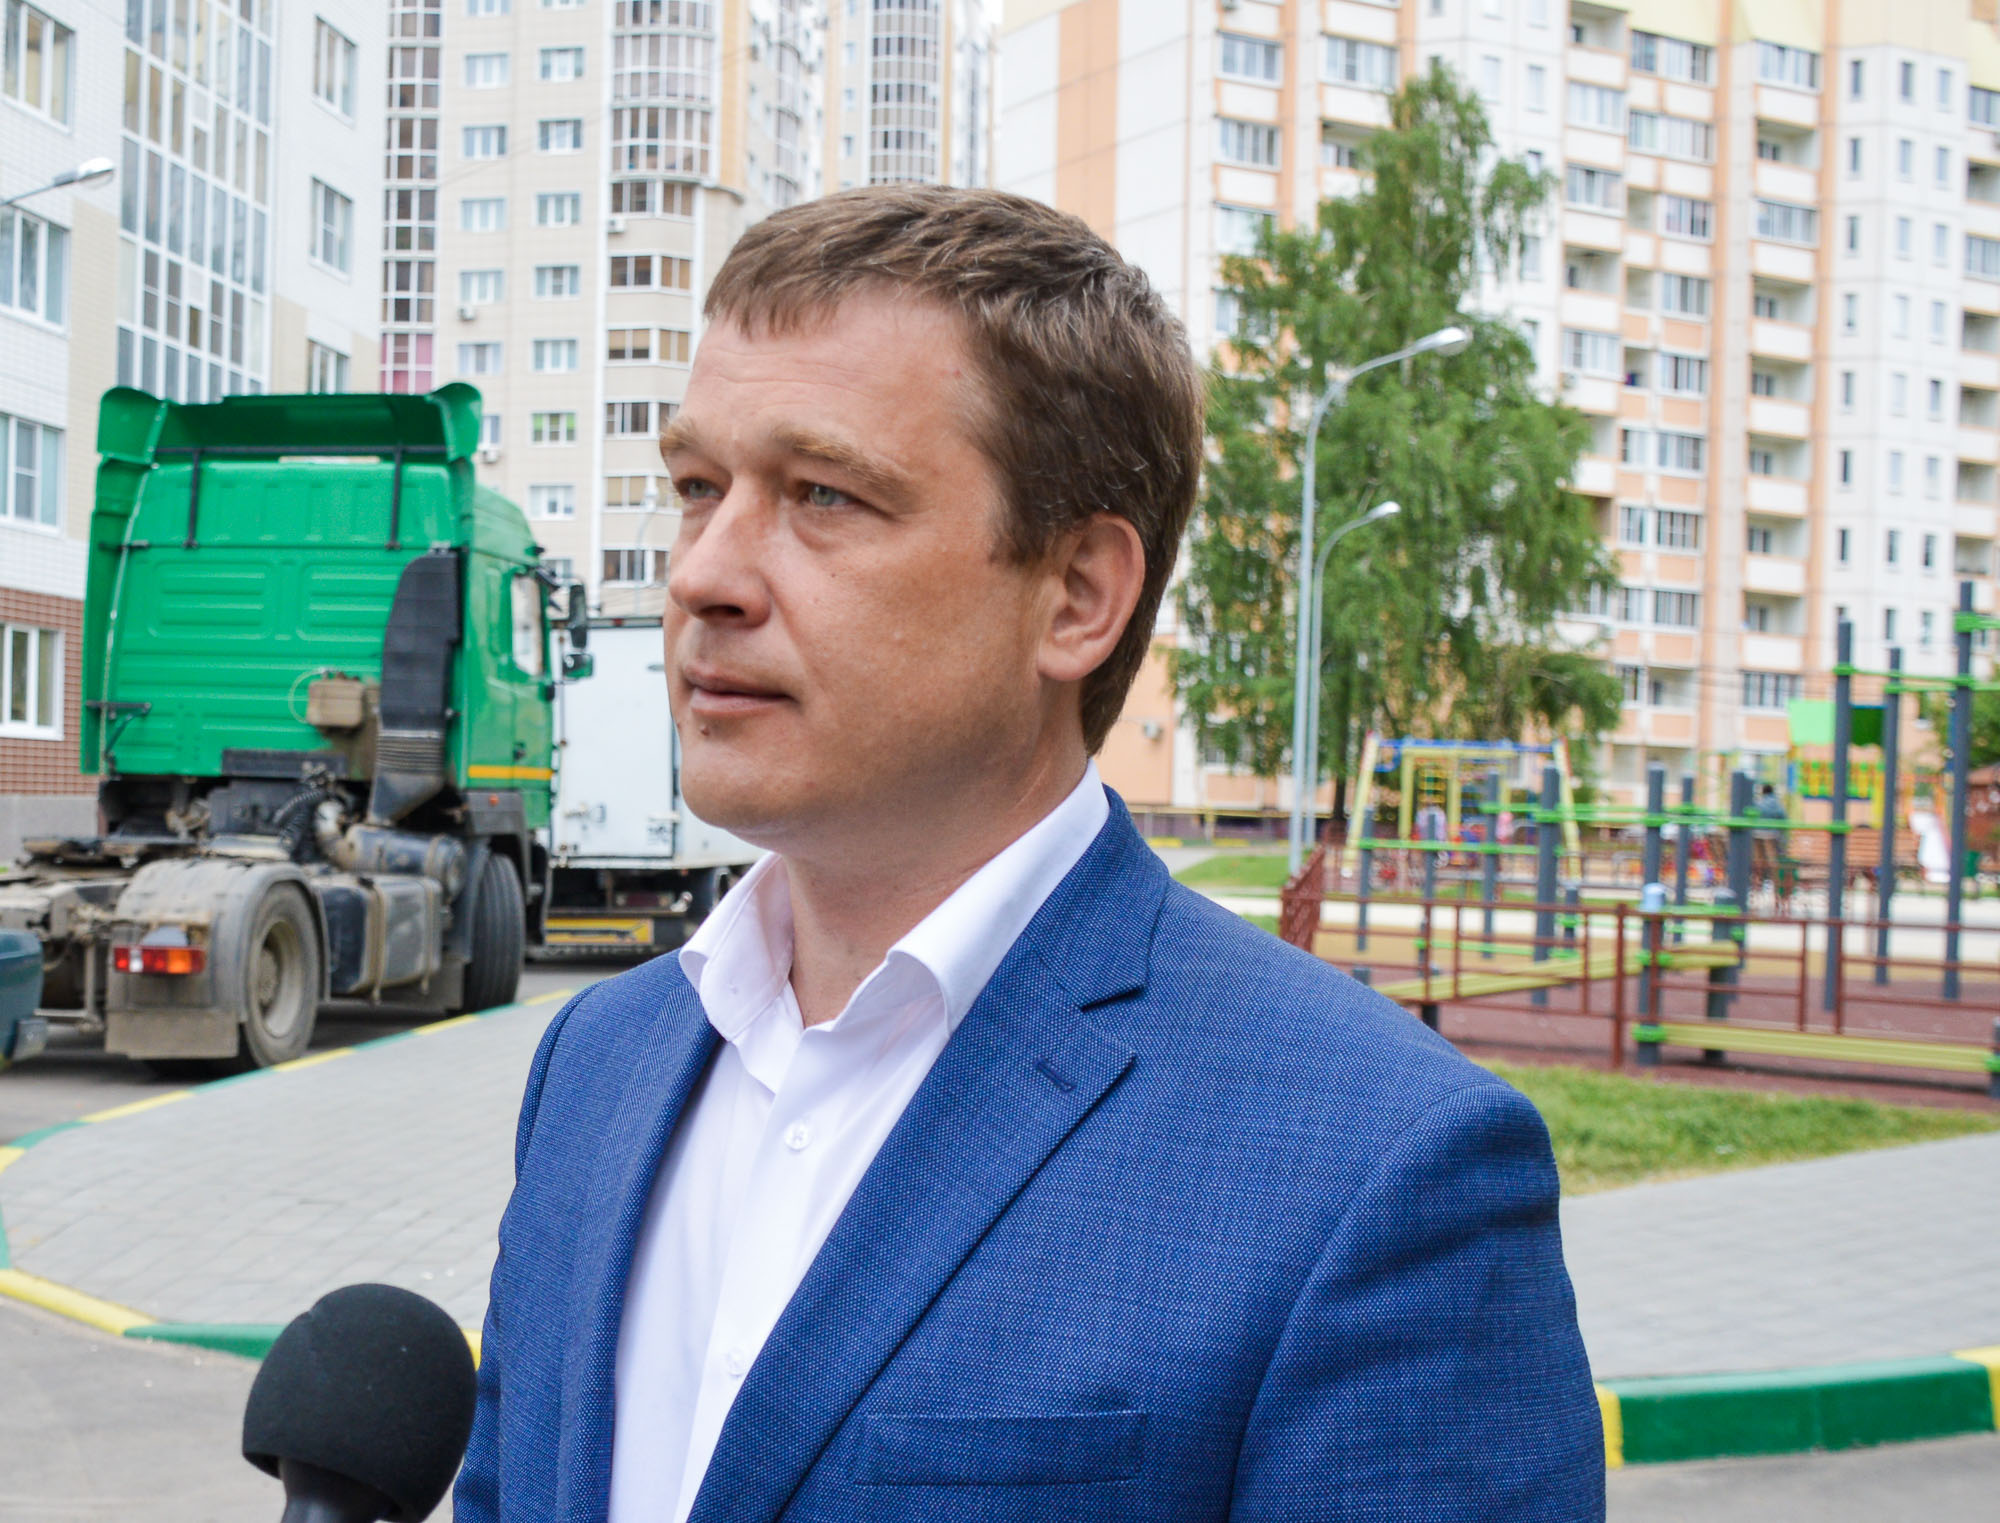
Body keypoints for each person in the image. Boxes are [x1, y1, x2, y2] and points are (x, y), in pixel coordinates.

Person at [456, 187, 1603, 1523]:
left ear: (1076, 596)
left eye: (823, 494)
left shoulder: (1379, 1167)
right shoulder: (596, 1065)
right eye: (698, 488)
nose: (703, 573)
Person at [1753, 782, 1788, 895]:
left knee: (1758, 860)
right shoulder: (1777, 803)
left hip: (1757, 835)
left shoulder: (1759, 802)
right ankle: (1776, 885)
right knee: (1773, 862)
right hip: (1772, 836)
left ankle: (1757, 884)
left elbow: (1753, 815)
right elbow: (1783, 818)